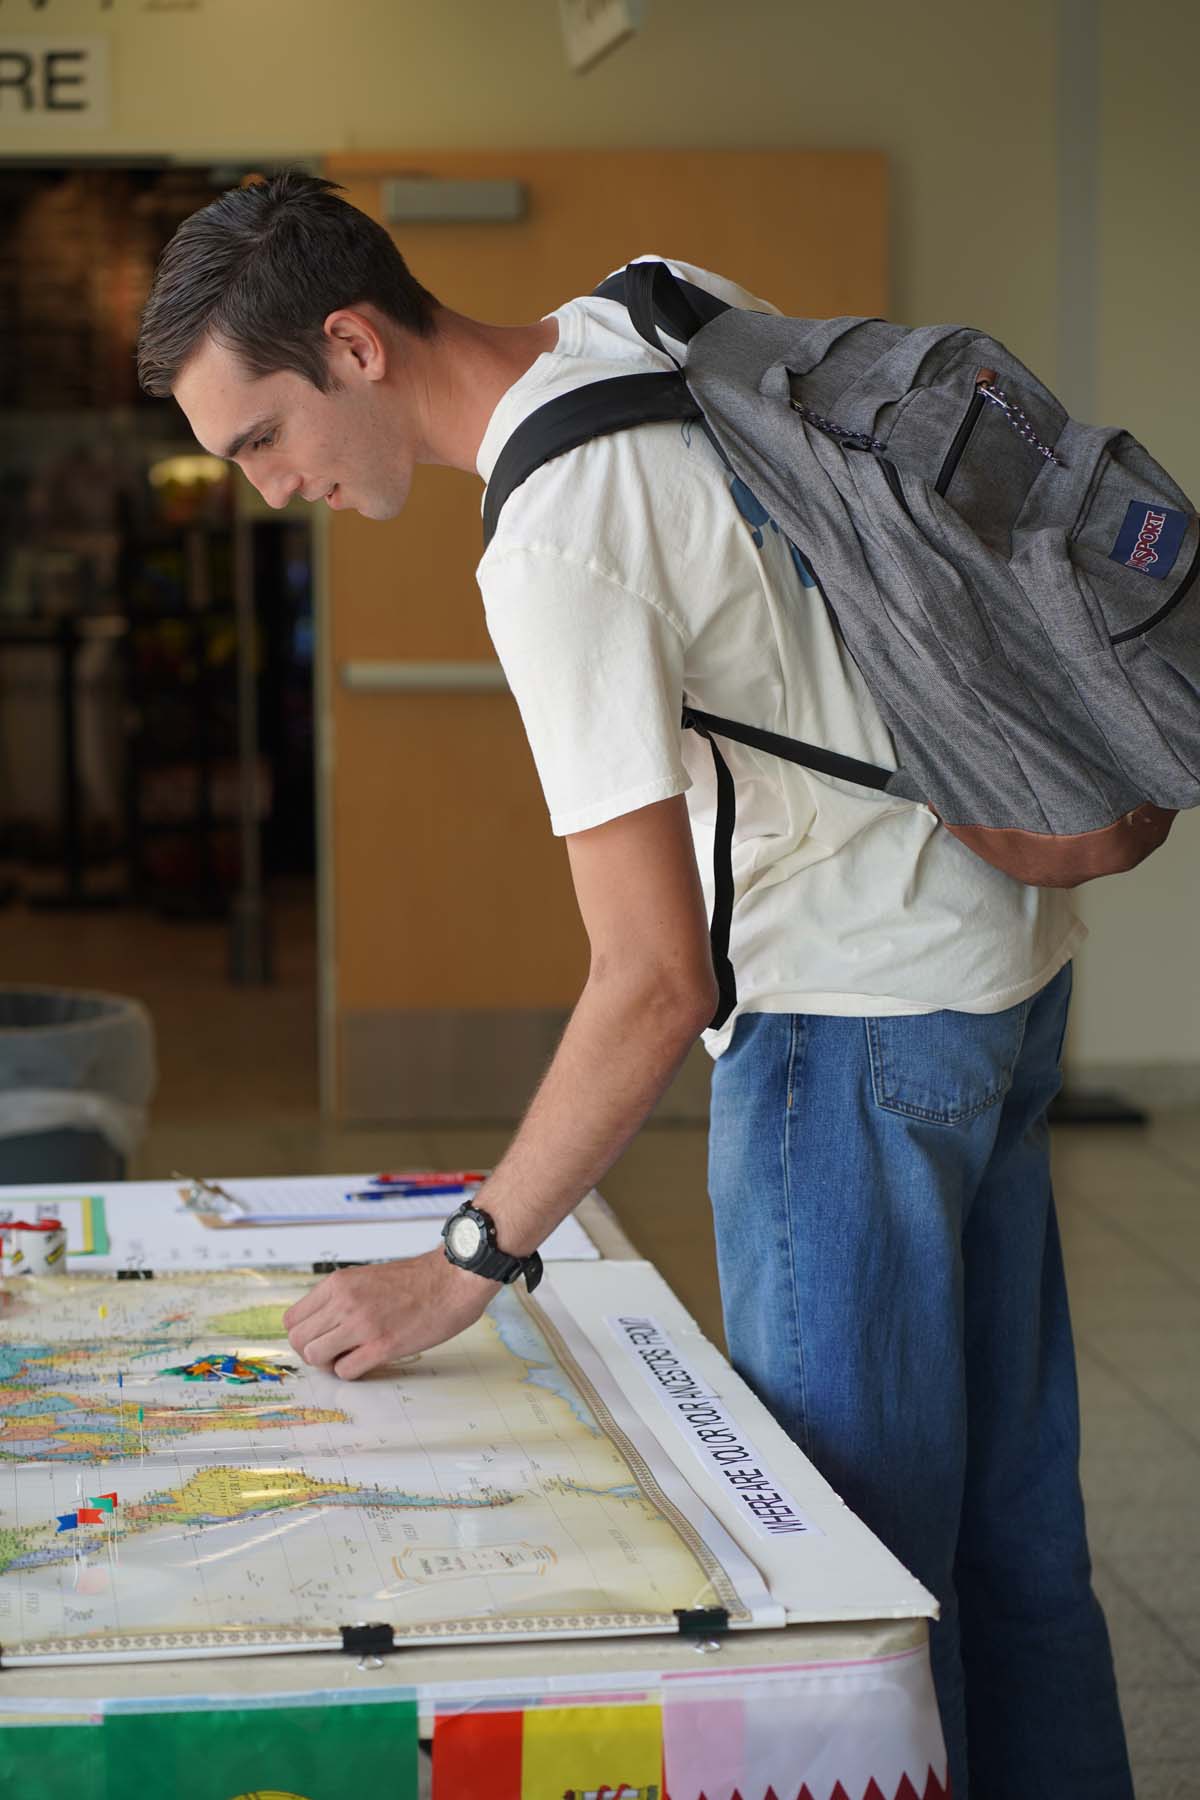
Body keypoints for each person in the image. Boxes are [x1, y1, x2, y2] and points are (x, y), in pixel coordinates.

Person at [136, 171, 1134, 1799]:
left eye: (262, 439)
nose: (269, 491)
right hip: (999, 966)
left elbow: (654, 982)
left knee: (857, 1598)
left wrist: (463, 1265)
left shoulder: (552, 543)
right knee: (1020, 1548)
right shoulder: (652, 302)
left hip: (844, 1035)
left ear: (354, 346)